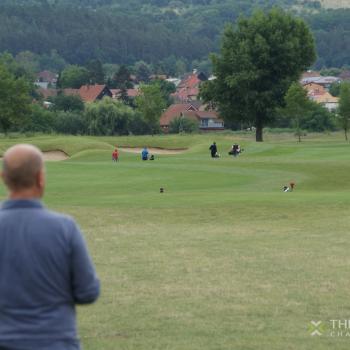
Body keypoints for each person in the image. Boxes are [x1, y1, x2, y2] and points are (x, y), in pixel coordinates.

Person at [0, 144, 100, 350]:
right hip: (56, 343)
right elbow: (88, 292)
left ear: (4, 178)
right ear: (40, 178)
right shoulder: (65, 228)